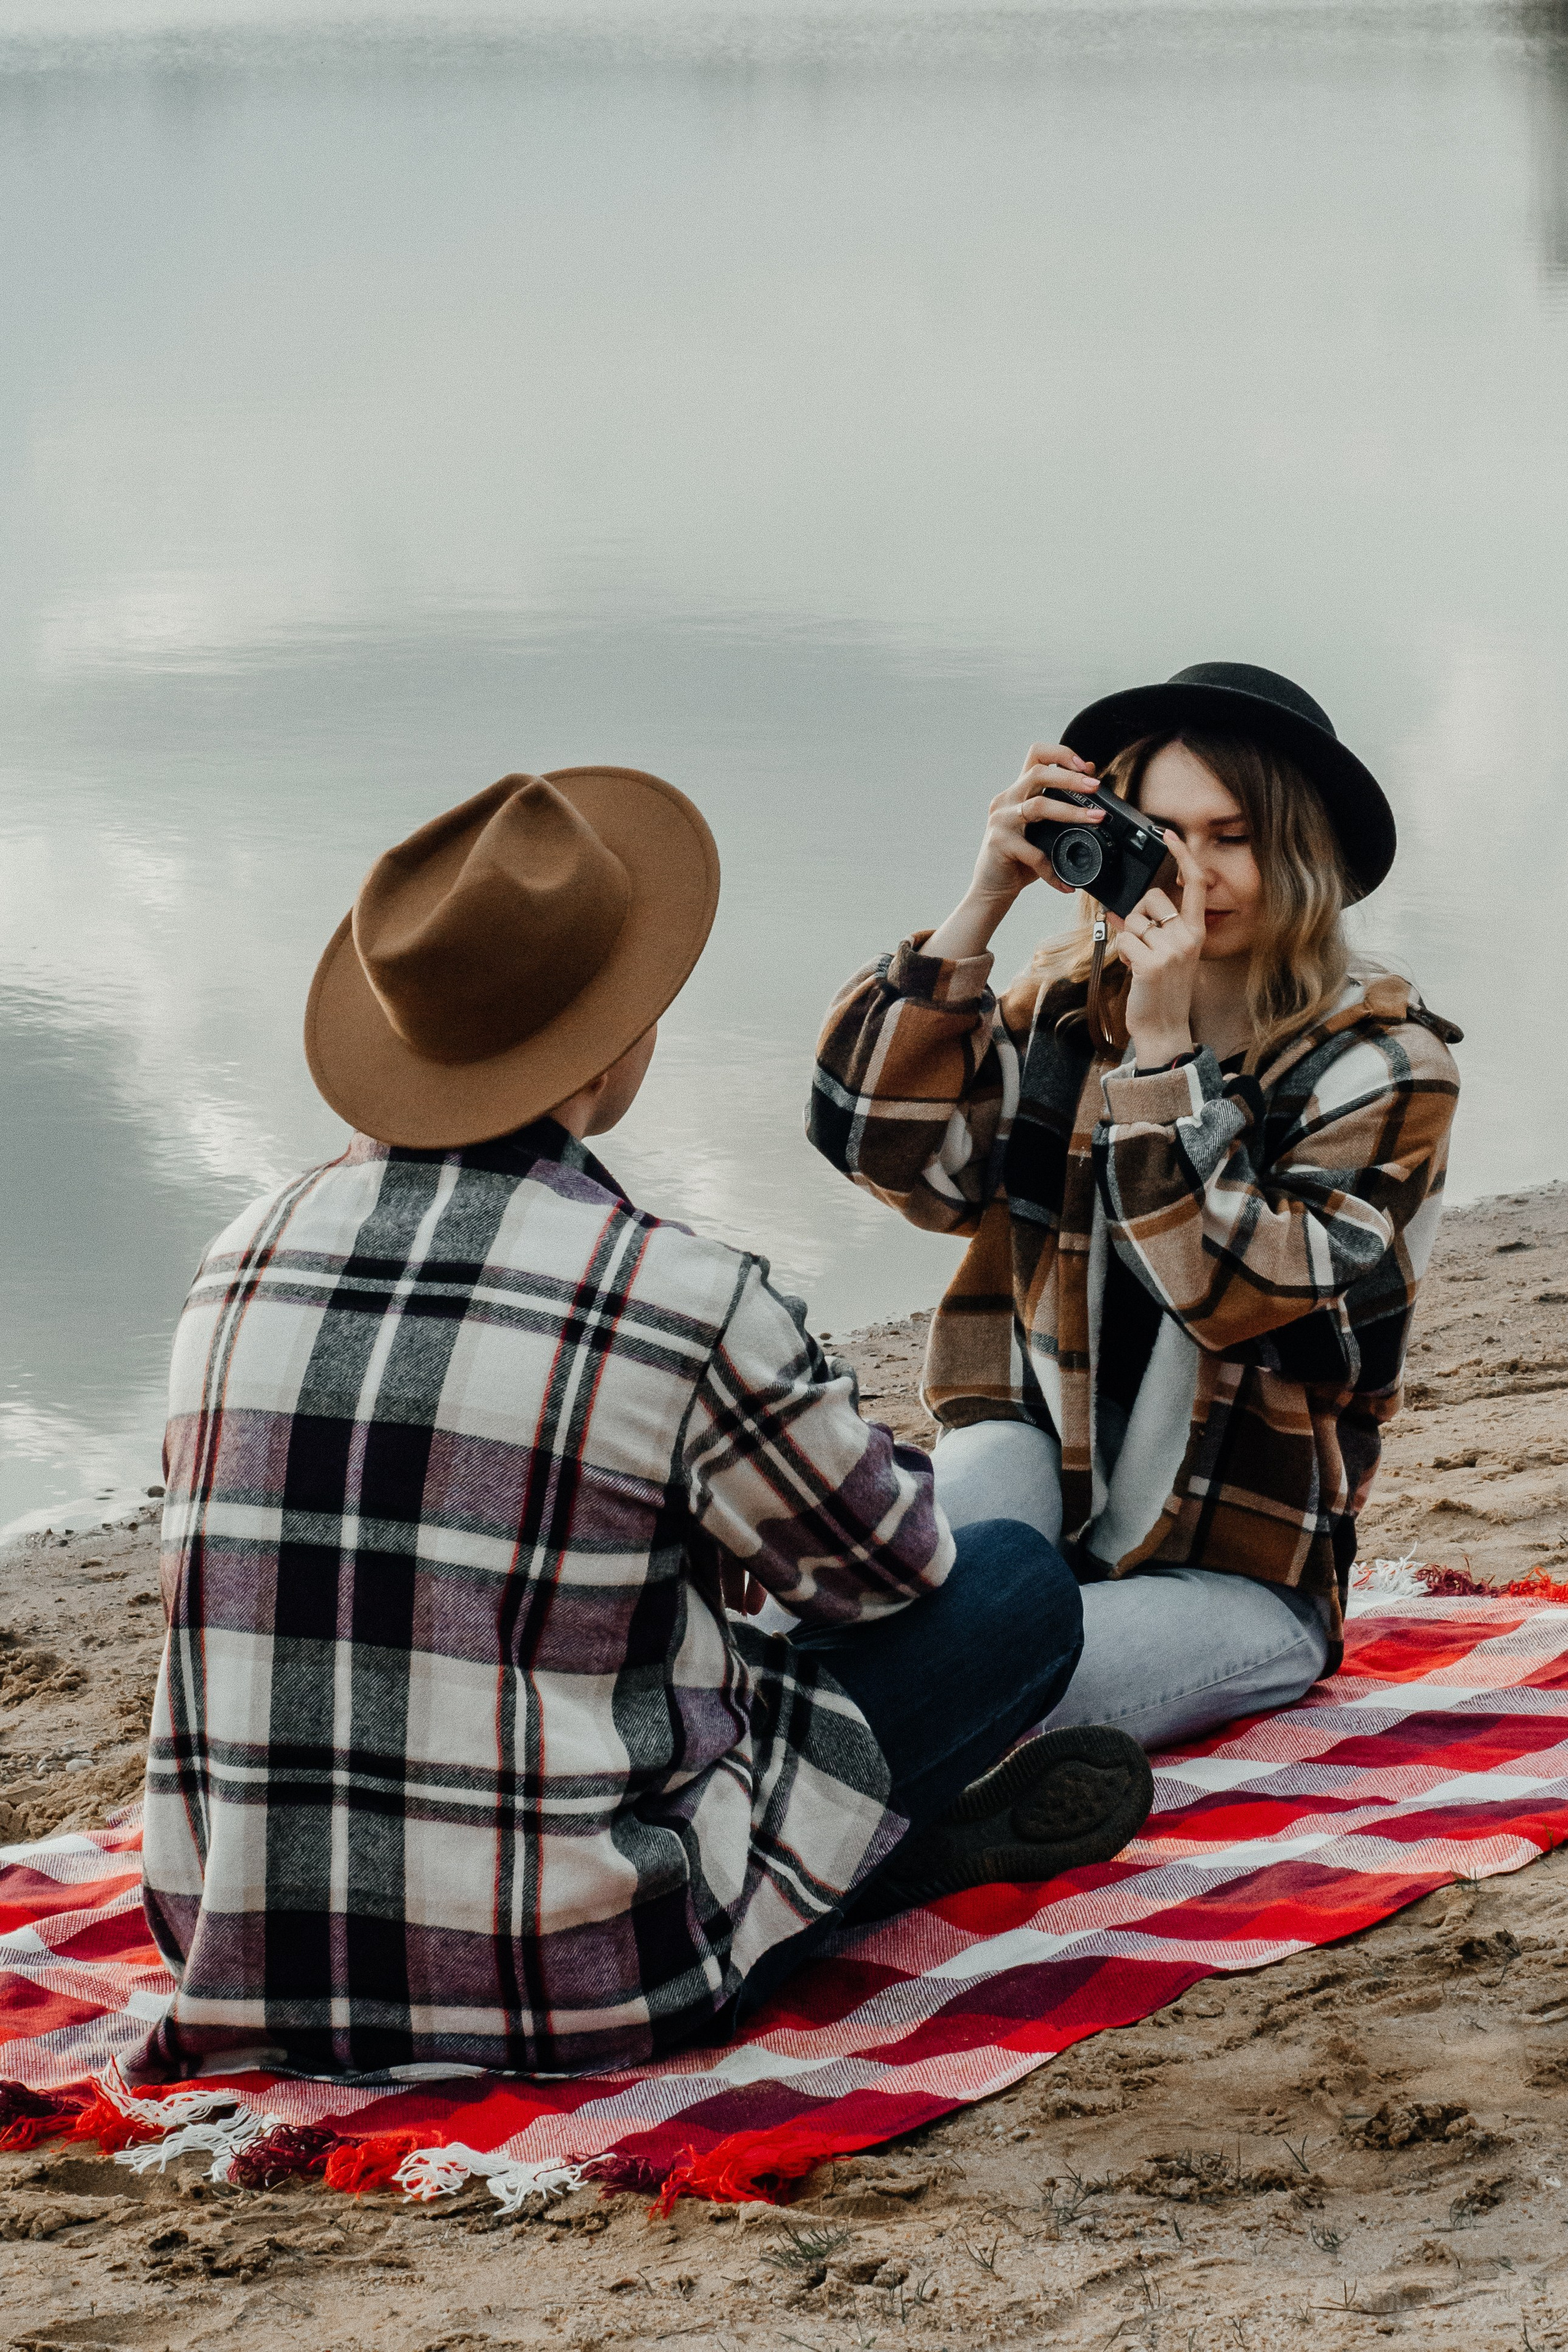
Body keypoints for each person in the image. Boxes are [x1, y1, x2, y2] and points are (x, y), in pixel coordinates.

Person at [135, 766, 1152, 2085]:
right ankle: (850, 1879)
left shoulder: (237, 1256)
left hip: (240, 1948)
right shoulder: (673, 1295)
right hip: (582, 1978)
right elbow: (891, 1573)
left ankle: (856, 1856)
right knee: (1016, 1584)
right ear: (615, 1044)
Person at [809, 663, 1462, 1750]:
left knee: (988, 1695)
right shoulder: (1067, 1012)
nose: (1190, 873)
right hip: (1039, 1458)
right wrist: (982, 900)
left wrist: (1164, 1060)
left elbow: (1232, 1297)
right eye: (1160, 833)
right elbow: (883, 1149)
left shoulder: (1386, 1067)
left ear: (1302, 852)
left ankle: (838, 1809)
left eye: (1232, 836)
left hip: (1241, 1562)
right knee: (870, 1611)